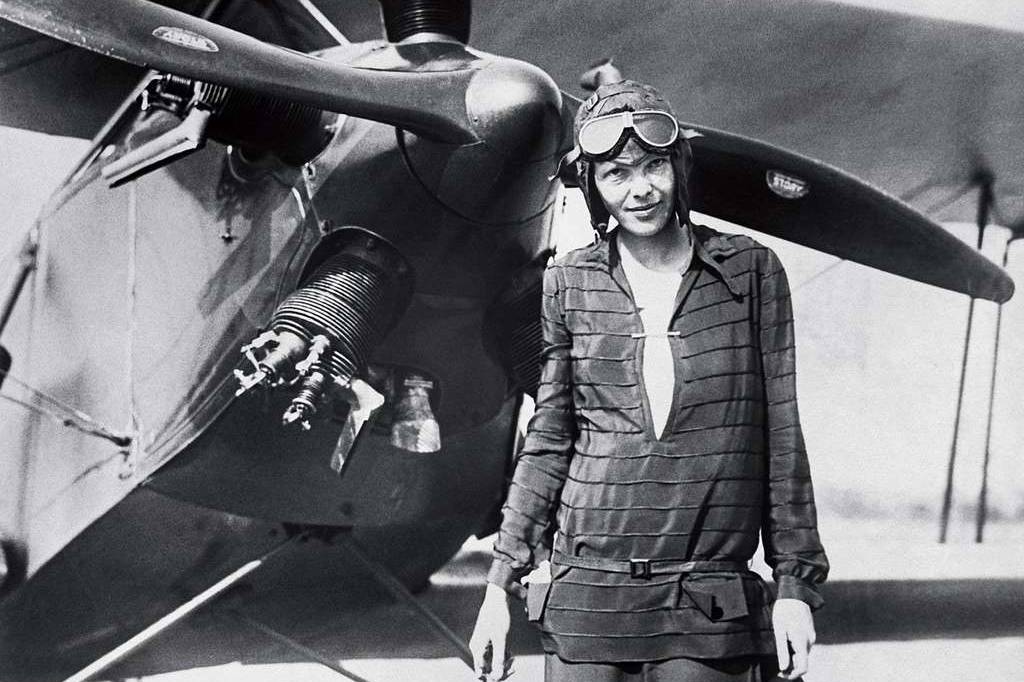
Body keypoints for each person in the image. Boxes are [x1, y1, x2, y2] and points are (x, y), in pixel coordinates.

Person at [469, 80, 829, 682]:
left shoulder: (750, 272)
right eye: (615, 173)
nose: (639, 189)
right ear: (593, 187)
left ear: (678, 166)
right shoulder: (569, 282)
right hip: (587, 598)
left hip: (707, 597)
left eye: (653, 166)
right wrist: (498, 586)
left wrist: (794, 585)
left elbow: (781, 437)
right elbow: (550, 440)